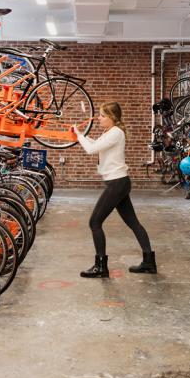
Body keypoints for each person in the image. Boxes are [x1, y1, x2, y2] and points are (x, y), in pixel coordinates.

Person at [71, 101, 156, 278]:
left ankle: (101, 267)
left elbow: (91, 150)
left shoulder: (116, 132)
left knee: (94, 222)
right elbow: (95, 144)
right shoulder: (109, 132)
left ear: (112, 117)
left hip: (117, 184)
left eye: (102, 116)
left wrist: (79, 135)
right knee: (133, 223)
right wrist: (80, 136)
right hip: (119, 182)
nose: (99, 119)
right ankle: (149, 262)